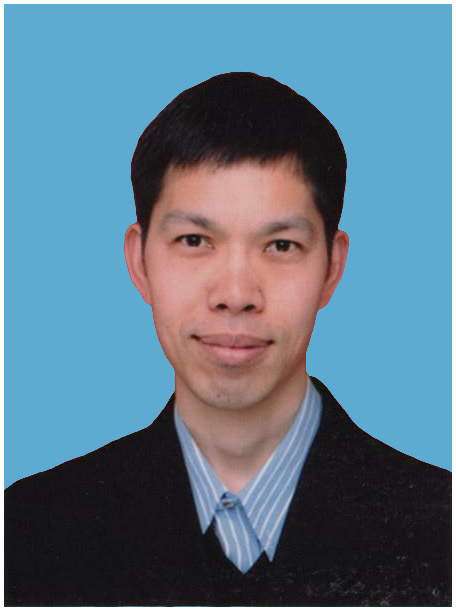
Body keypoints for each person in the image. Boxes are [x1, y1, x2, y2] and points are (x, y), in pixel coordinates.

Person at [5, 73, 450, 607]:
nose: (236, 295)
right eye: (194, 240)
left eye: (280, 245)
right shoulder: (29, 531)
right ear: (139, 261)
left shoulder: (439, 529)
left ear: (332, 268)